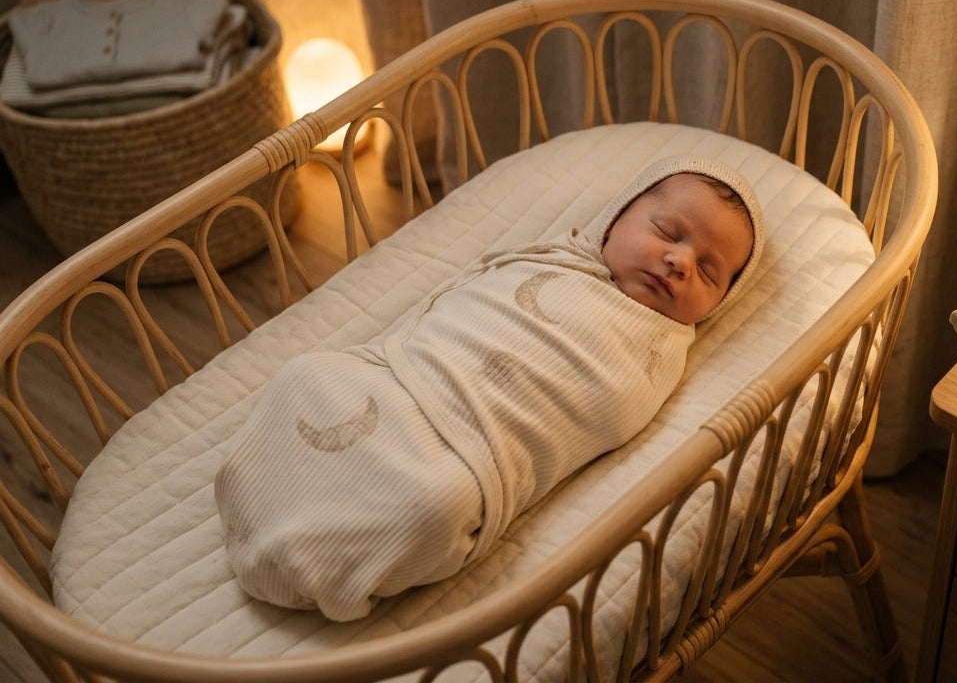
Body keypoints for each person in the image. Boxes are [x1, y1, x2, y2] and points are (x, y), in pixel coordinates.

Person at [214, 155, 764, 621]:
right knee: (306, 376)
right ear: (616, 216)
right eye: (666, 232)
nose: (680, 261)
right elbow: (462, 302)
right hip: (405, 380)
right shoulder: (553, 259)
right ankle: (269, 493)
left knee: (437, 506)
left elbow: (607, 408)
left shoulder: (661, 347)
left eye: (709, 272)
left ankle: (334, 556)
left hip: (475, 453)